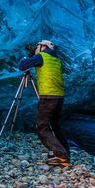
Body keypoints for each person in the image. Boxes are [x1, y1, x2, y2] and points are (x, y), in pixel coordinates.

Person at [18, 39, 70, 167]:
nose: (36, 48)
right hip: (59, 97)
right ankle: (65, 152)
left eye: (37, 46)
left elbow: (22, 65)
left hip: (48, 97)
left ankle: (61, 155)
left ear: (43, 46)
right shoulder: (56, 59)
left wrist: (28, 56)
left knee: (42, 127)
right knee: (55, 125)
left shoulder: (41, 56)